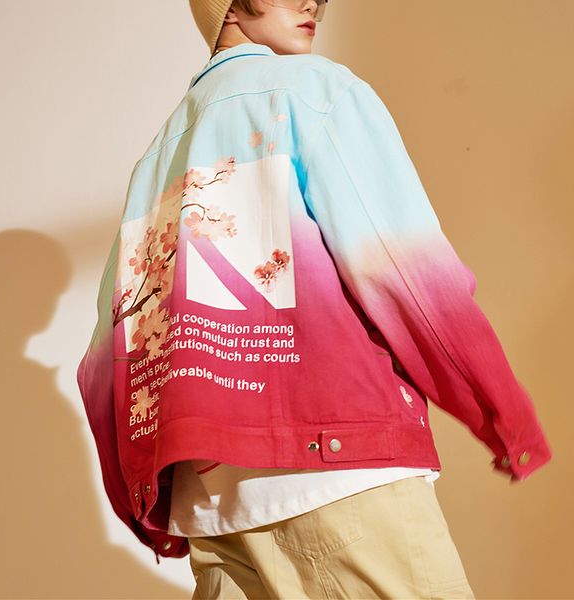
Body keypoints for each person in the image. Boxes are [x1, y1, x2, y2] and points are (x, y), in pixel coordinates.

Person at [76, 0, 552, 597]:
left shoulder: (157, 156)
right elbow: (406, 273)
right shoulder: (312, 91)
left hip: (212, 506)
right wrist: (503, 416)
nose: (313, 4)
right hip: (335, 471)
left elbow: (108, 355)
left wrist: (141, 497)